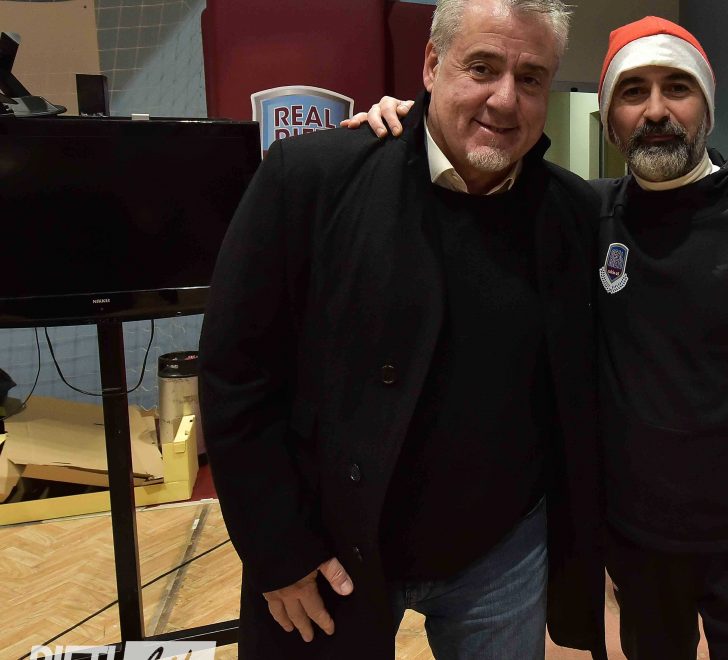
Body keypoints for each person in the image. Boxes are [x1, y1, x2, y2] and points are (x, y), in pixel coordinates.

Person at [347, 16, 728, 660]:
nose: (655, 111)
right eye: (632, 91)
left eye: (676, 87)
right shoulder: (583, 214)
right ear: (609, 120)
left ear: (707, 104)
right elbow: (470, 170)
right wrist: (406, 128)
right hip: (637, 542)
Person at [198, 1, 607, 658]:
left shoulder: (575, 214)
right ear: (431, 65)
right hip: (333, 550)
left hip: (501, 558)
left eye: (530, 78)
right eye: (482, 68)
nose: (505, 99)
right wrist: (278, 549)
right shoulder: (312, 178)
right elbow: (235, 373)